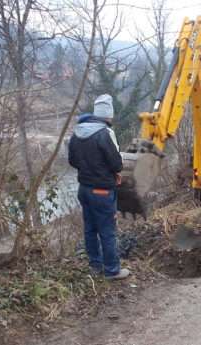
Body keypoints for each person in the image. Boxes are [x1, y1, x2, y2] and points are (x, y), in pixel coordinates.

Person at [68, 94, 130, 280]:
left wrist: (89, 170)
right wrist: (109, 172)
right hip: (102, 191)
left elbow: (72, 161)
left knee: (90, 229)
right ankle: (112, 270)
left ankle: (95, 265)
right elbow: (116, 164)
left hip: (84, 189)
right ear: (107, 115)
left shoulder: (77, 132)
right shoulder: (104, 134)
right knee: (107, 231)